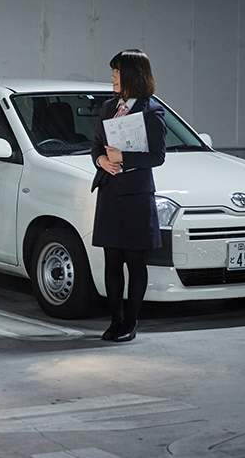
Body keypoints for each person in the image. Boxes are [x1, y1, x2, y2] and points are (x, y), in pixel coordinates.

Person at [90, 49, 166, 342]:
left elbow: (157, 156)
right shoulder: (109, 107)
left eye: (116, 72)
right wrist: (102, 161)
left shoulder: (152, 111)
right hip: (110, 192)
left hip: (136, 196)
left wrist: (125, 157)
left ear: (132, 74)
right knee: (112, 260)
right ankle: (115, 321)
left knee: (135, 261)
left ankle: (131, 322)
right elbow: (96, 145)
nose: (112, 77)